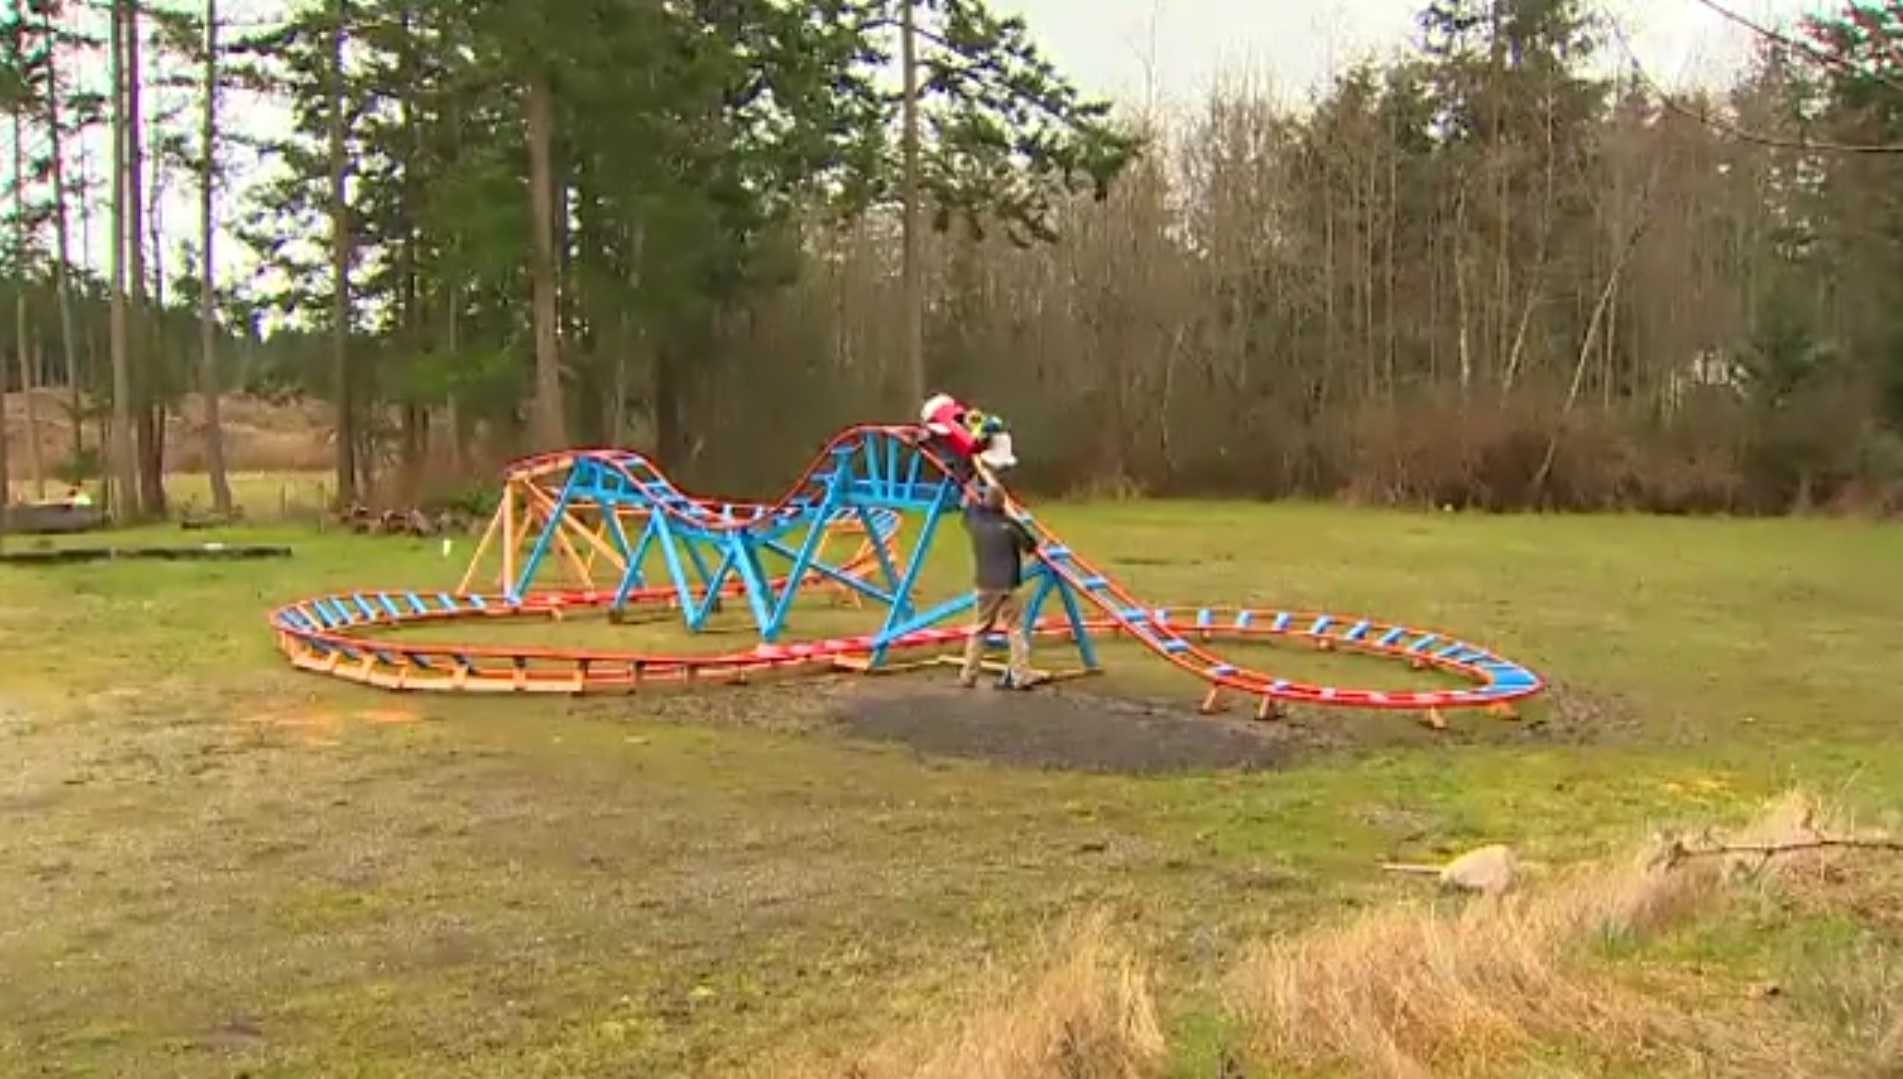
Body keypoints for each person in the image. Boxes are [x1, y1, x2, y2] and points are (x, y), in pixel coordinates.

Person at [959, 483, 1038, 690]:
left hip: (985, 584)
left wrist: (971, 488)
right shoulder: (1011, 525)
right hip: (1009, 583)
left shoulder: (976, 523)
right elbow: (1031, 545)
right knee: (1015, 630)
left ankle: (969, 675)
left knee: (980, 629)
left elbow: (967, 508)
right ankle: (1021, 676)